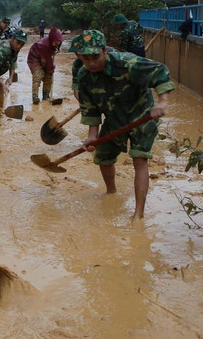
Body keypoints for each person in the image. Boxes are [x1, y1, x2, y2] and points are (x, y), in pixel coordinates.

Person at [75, 29, 175, 222]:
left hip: (141, 115)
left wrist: (162, 101)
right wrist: (92, 135)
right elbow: (90, 109)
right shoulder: (84, 76)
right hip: (115, 119)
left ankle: (138, 214)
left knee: (139, 159)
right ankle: (111, 193)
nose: (91, 63)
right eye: (85, 58)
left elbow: (160, 71)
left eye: (95, 57)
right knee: (103, 157)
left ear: (105, 51)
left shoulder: (128, 63)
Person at [0, 28, 28, 124]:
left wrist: (10, 78)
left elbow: (13, 63)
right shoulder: (3, 49)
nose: (19, 46)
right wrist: (3, 84)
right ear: (12, 38)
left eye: (22, 44)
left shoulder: (15, 48)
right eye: (18, 42)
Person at [68, 33, 114, 102]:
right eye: (77, 54)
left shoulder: (113, 59)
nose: (80, 56)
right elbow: (76, 88)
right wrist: (84, 101)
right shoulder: (77, 65)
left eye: (94, 56)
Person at [27, 26, 63, 104]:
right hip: (35, 58)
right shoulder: (44, 45)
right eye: (56, 42)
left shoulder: (56, 42)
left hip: (44, 57)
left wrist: (55, 50)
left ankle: (46, 96)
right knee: (38, 75)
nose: (57, 43)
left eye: (58, 42)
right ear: (52, 39)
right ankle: (35, 96)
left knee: (48, 76)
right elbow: (48, 61)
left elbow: (49, 58)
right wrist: (52, 68)